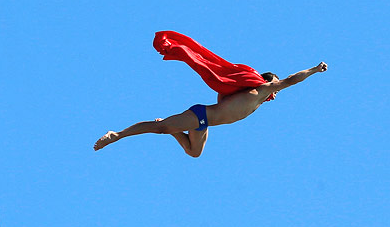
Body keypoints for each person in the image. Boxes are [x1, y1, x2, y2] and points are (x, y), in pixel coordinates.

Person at [94, 62, 328, 157]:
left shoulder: (250, 98)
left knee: (194, 153)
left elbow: (224, 96)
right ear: (266, 82)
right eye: (273, 88)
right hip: (201, 115)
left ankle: (175, 128)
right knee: (161, 128)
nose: (275, 95)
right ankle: (116, 135)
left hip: (204, 123)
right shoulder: (263, 89)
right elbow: (291, 79)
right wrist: (315, 70)